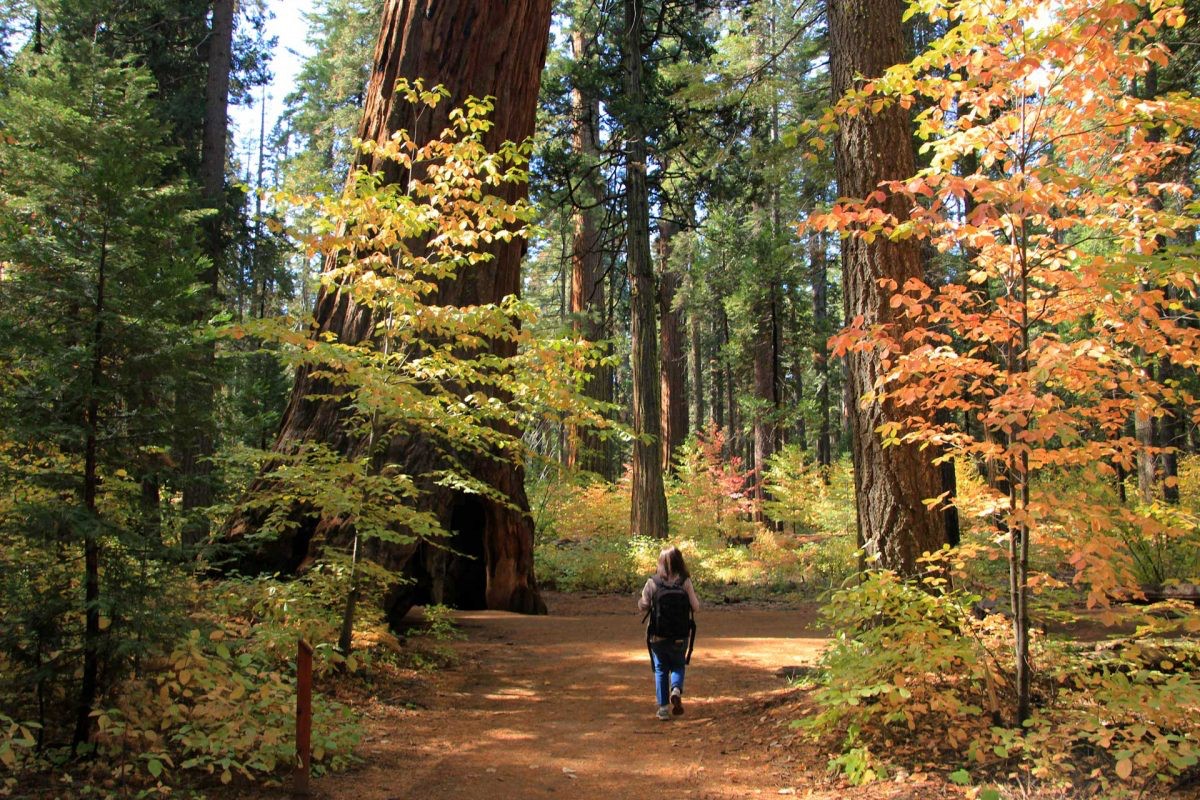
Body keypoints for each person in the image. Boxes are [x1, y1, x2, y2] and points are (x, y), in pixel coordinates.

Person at [638, 546, 700, 721]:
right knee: (678, 665)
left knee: (660, 669)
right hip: (681, 634)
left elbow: (643, 605)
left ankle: (663, 708)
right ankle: (676, 689)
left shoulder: (653, 582)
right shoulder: (685, 582)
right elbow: (696, 607)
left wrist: (643, 604)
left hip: (658, 635)